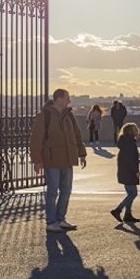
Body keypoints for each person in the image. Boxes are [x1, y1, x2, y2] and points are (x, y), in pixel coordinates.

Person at [29, 89, 87, 233]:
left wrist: (82, 153)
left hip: (68, 158)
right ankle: (51, 221)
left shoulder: (69, 115)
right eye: (67, 98)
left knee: (66, 191)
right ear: (59, 99)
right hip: (52, 159)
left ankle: (61, 219)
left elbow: (77, 135)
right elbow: (36, 139)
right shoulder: (44, 116)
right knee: (52, 192)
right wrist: (37, 160)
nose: (69, 101)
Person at [111, 122, 140, 223]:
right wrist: (136, 171)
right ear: (130, 131)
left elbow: (128, 159)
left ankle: (128, 214)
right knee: (133, 193)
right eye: (135, 128)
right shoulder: (130, 143)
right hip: (129, 172)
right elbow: (131, 160)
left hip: (124, 171)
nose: (137, 130)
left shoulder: (125, 142)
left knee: (130, 193)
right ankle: (118, 210)